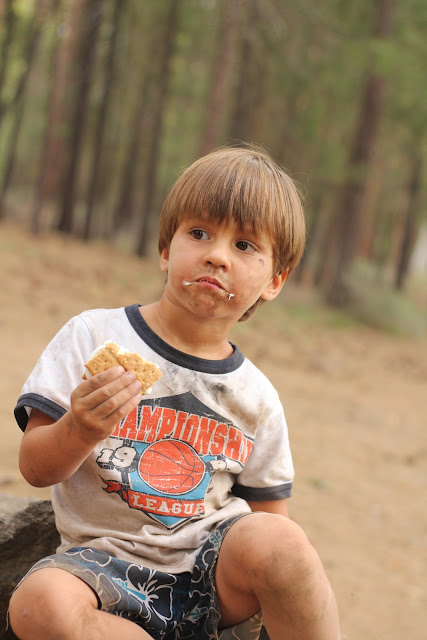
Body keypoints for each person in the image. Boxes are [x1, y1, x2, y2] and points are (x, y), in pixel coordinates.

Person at [9, 146, 340, 640]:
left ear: (275, 280)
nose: (216, 255)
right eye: (199, 233)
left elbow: (273, 529)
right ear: (166, 250)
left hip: (212, 575)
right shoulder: (93, 335)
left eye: (244, 245)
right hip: (100, 567)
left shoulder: (256, 396)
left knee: (287, 545)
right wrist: (78, 429)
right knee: (38, 605)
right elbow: (35, 469)